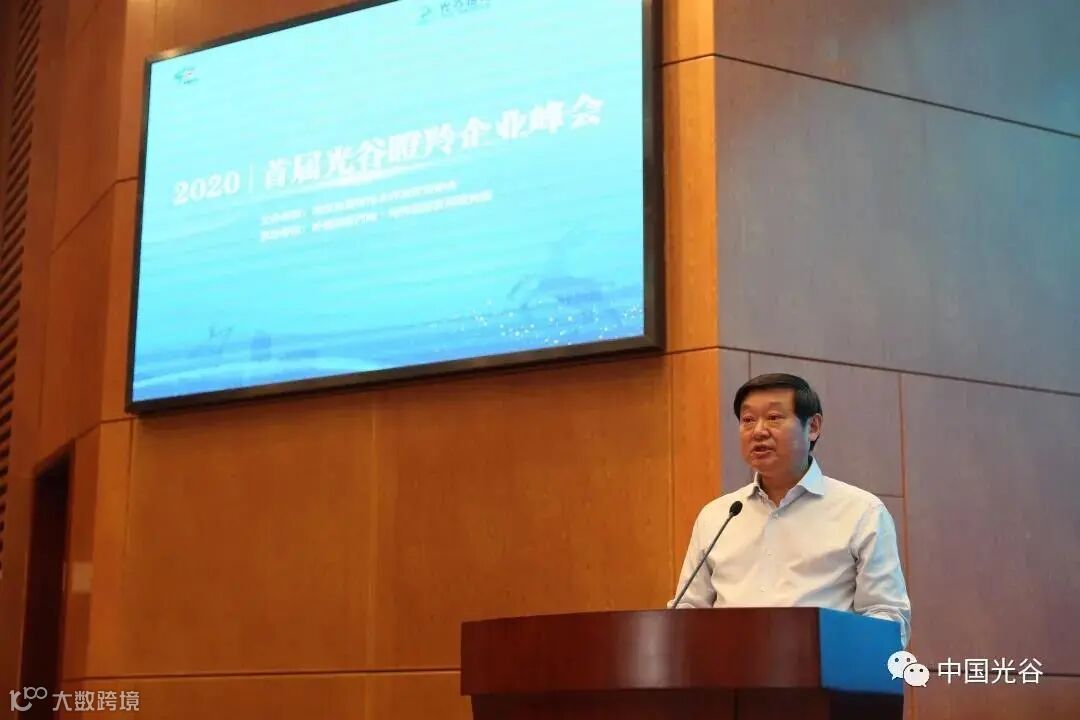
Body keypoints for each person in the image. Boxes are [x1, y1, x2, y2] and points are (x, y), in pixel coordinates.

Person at [670, 373, 911, 647]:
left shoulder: (861, 512)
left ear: (813, 427)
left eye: (774, 417)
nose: (758, 431)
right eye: (748, 420)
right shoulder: (717, 516)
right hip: (729, 669)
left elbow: (887, 616)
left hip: (823, 669)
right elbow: (687, 611)